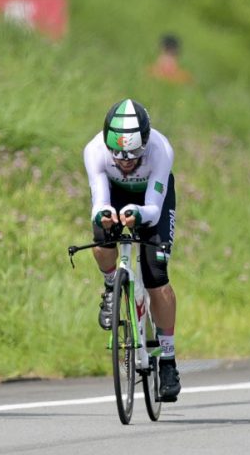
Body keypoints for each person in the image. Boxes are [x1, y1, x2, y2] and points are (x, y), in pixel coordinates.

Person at [82, 98, 181, 401]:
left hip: (152, 203)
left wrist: (139, 215)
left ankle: (167, 360)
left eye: (134, 154)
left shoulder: (161, 150)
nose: (125, 161)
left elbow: (153, 205)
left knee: (156, 276)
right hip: (115, 195)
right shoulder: (94, 150)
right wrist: (103, 215)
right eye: (119, 155)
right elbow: (99, 200)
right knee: (101, 237)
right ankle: (112, 285)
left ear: (146, 144)